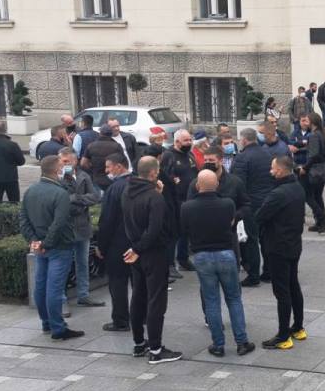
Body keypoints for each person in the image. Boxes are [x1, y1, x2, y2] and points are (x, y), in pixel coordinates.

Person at [181, 169, 254, 357]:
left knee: (212, 301)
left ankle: (218, 345)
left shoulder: (187, 207)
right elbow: (233, 220)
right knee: (234, 298)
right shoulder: (228, 204)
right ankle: (242, 342)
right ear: (217, 185)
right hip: (226, 253)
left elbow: (184, 229)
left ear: (197, 186)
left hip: (202, 256)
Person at [123, 156, 181, 364]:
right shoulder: (155, 198)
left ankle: (139, 342)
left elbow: (136, 219)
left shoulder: (127, 191)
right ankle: (156, 349)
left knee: (138, 295)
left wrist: (135, 248)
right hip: (152, 252)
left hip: (135, 251)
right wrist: (140, 248)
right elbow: (155, 228)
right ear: (154, 173)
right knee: (156, 300)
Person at [19, 156, 81, 340]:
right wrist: (46, 243)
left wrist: (34, 241)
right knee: (55, 288)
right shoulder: (60, 193)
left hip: (40, 246)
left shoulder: (30, 191)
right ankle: (58, 328)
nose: (65, 168)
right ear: (56, 171)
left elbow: (23, 219)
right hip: (59, 247)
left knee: (40, 285)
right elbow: (59, 223)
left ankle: (46, 322)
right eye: (62, 166)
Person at [255, 154, 307, 350]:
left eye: (272, 168)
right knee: (293, 285)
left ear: (280, 171)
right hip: (294, 244)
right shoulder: (297, 187)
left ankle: (284, 335)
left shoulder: (278, 194)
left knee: (282, 291)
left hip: (277, 247)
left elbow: (260, 216)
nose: (270, 171)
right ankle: (298, 327)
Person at [232, 122, 289, 286]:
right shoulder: (267, 154)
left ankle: (253, 274)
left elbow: (238, 184)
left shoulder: (242, 158)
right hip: (268, 201)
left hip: (251, 204)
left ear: (243, 141)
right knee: (266, 238)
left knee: (251, 239)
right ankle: (269, 271)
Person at [58, 147, 104, 308]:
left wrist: (76, 198)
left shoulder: (84, 176)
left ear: (74, 161)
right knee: (63, 264)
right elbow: (60, 201)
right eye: (62, 161)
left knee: (82, 262)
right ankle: (61, 300)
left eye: (66, 161)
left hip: (82, 227)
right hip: (66, 228)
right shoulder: (57, 177)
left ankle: (83, 295)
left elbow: (95, 197)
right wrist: (76, 201)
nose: (63, 164)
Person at [95, 154, 132, 332]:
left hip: (117, 245)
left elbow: (107, 220)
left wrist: (101, 246)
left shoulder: (114, 189)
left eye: (109, 167)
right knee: (139, 283)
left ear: (119, 167)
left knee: (118, 283)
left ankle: (120, 319)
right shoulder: (137, 184)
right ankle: (143, 315)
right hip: (137, 244)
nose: (106, 171)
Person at [161, 129, 199, 274]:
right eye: (186, 141)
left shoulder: (189, 154)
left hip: (190, 199)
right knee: (174, 232)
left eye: (190, 140)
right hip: (175, 201)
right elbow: (165, 177)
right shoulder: (169, 156)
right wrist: (173, 181)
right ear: (177, 142)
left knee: (186, 231)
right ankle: (170, 265)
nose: (189, 143)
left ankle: (183, 259)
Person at [298, 113, 325, 233]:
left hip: (314, 170)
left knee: (309, 196)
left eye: (307, 121)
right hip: (322, 169)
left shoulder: (314, 136)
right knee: (317, 196)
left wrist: (305, 168)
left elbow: (313, 154)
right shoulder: (322, 134)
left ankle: (322, 218)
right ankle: (320, 222)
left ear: (312, 123)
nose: (305, 123)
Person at [82, 123, 125, 191]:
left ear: (100, 133)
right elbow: (123, 163)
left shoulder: (91, 146)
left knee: (99, 199)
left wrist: (92, 169)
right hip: (112, 179)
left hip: (97, 178)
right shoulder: (117, 146)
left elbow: (83, 163)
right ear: (111, 134)